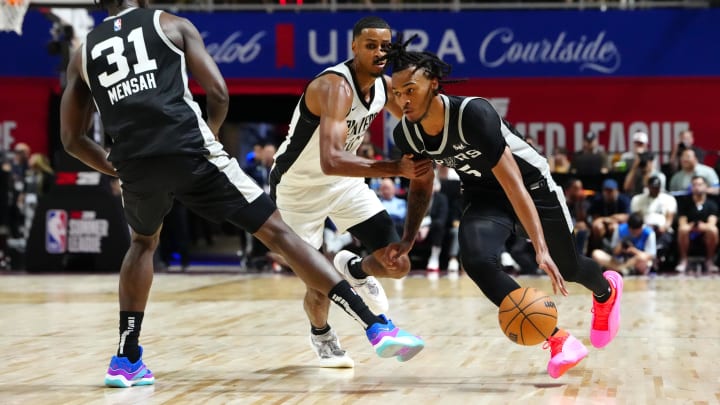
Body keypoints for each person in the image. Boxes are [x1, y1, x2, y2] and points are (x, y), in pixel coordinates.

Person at [59, 2, 424, 388]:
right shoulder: (171, 24)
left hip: (133, 161)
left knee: (143, 244)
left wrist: (118, 167)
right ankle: (375, 325)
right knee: (279, 234)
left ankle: (125, 357)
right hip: (194, 151)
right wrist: (211, 135)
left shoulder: (83, 52)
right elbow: (217, 92)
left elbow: (71, 140)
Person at [382, 41, 623, 379]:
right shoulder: (407, 133)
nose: (403, 100)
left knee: (566, 267)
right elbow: (421, 184)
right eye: (396, 92)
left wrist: (540, 249)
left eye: (411, 89)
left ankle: (606, 291)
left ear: (433, 84)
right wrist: (407, 238)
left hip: (532, 186)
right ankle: (558, 340)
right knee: (477, 261)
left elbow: (515, 185)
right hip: (483, 195)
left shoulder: (473, 114)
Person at [269, 16, 433, 368]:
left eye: (385, 47)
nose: (378, 52)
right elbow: (329, 160)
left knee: (397, 261)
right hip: (299, 188)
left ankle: (356, 269)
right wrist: (396, 168)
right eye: (370, 45)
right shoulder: (334, 87)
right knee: (317, 283)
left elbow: (416, 122)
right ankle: (322, 335)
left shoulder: (386, 88)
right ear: (354, 47)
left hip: (344, 183)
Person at [591, 212, 656, 275]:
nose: (634, 233)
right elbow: (614, 252)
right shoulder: (620, 229)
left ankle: (621, 270)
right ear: (629, 227)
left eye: (636, 231)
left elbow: (651, 255)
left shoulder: (649, 233)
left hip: (636, 261)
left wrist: (634, 251)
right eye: (632, 231)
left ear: (641, 227)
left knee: (642, 260)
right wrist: (620, 246)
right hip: (619, 261)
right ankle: (622, 270)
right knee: (596, 254)